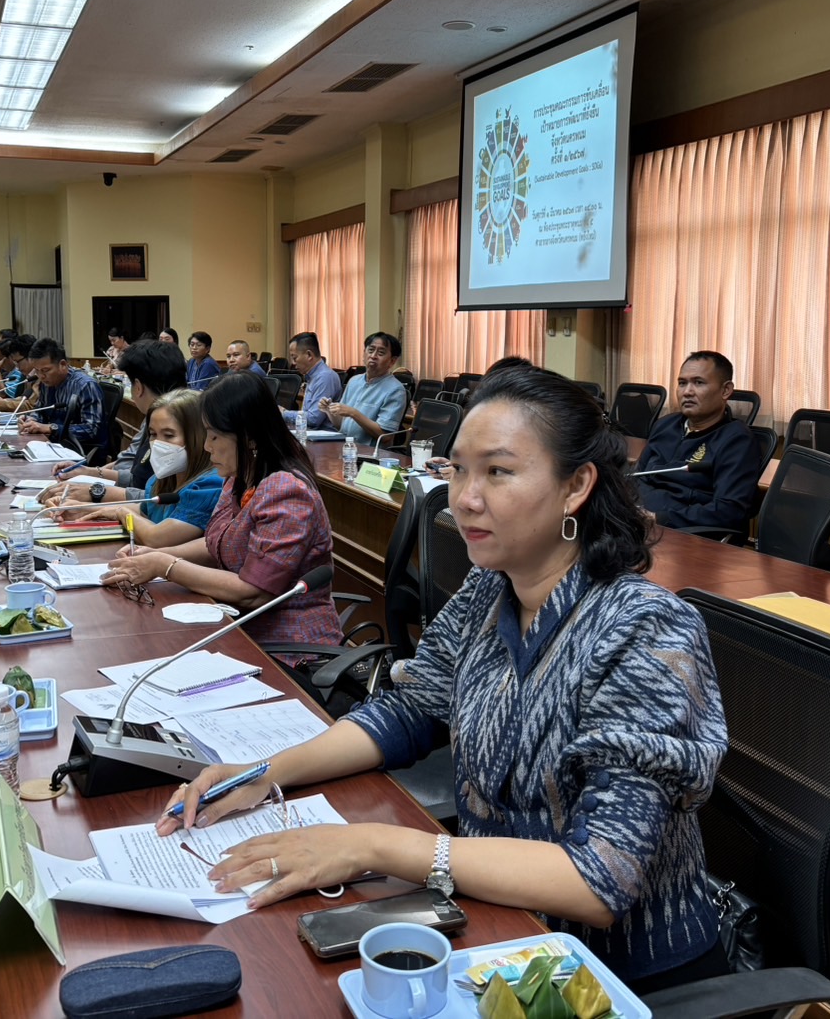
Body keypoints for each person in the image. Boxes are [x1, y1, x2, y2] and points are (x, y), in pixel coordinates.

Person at [156, 364, 729, 992]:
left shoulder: (646, 628)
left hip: (614, 973)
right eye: (458, 469)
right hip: (497, 928)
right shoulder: (491, 586)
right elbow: (413, 709)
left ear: (577, 486)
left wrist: (373, 846)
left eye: (499, 472)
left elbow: (601, 875)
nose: (465, 497)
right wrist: (266, 774)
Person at [103, 371, 342, 648]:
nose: (206, 446)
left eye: (215, 437)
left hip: (285, 643)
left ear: (249, 437)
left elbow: (253, 592)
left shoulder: (287, 492)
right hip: (232, 624)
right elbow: (217, 543)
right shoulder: (238, 477)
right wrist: (153, 554)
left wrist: (164, 566)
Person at [49, 389, 223, 548]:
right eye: (153, 434)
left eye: (169, 435)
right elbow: (143, 510)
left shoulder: (210, 484)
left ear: (199, 438)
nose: (157, 444)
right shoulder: (161, 479)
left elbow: (157, 538)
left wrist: (119, 512)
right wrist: (79, 508)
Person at [634, 350, 760, 533]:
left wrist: (659, 518)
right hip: (638, 523)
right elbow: (638, 477)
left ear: (725, 390)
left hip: (683, 532)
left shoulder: (737, 440)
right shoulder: (665, 425)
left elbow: (729, 510)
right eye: (682, 383)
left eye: (698, 383)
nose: (687, 392)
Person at [46, 339, 186, 498]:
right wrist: (88, 472)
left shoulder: (176, 422)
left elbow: (155, 495)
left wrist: (97, 492)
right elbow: (135, 470)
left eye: (168, 435)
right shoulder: (156, 416)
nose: (158, 438)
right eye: (153, 434)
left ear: (138, 387)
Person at [18, 337, 103, 453]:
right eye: (37, 370)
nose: (41, 376)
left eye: (45, 370)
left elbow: (91, 430)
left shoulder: (85, 386)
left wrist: (51, 428)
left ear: (63, 364)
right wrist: (30, 421)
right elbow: (40, 411)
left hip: (80, 451)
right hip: (52, 446)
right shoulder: (47, 383)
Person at [321, 331, 407, 441]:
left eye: (380, 353)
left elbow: (385, 437)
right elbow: (341, 425)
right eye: (370, 350)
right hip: (345, 447)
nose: (373, 356)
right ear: (363, 354)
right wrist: (328, 410)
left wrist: (353, 413)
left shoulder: (396, 390)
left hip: (369, 454)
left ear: (392, 361)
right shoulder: (354, 381)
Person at [280, 331, 341, 432]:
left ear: (309, 355)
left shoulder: (325, 377)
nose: (293, 363)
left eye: (294, 358)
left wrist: (284, 413)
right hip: (310, 433)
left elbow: (314, 419)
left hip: (324, 440)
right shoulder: (312, 376)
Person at [0, 334, 38, 413]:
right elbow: (24, 398)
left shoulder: (41, 377)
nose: (18, 368)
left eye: (18, 362)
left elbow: (30, 406)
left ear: (30, 357)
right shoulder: (29, 375)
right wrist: (0, 401)